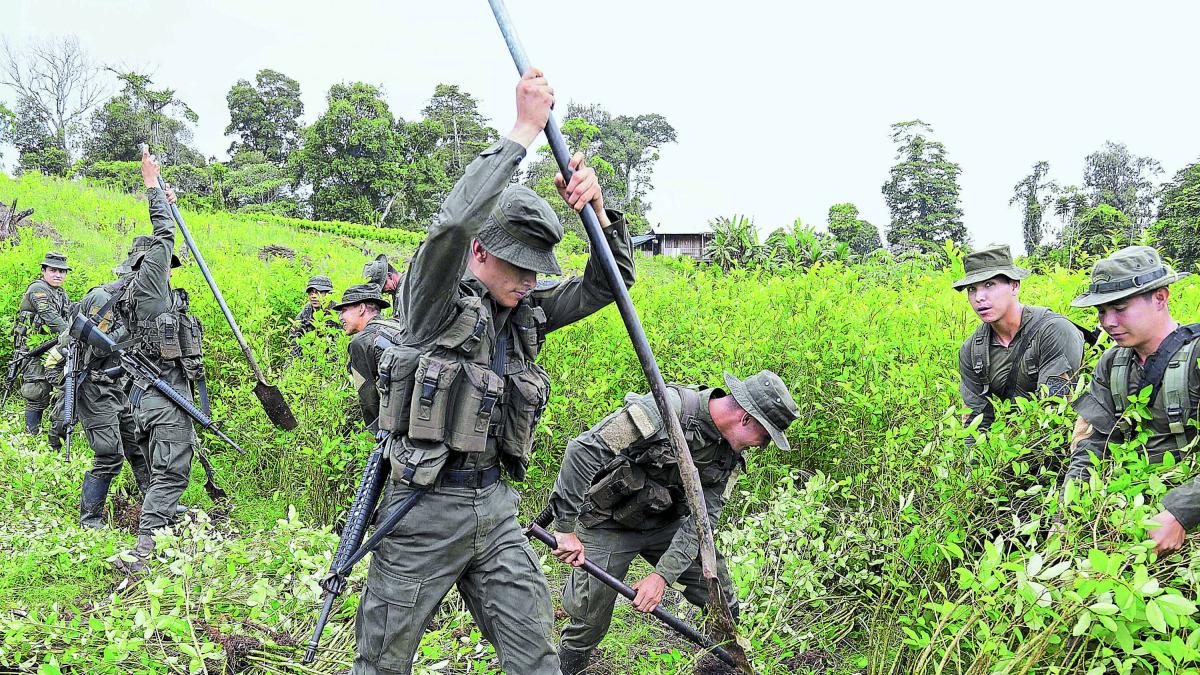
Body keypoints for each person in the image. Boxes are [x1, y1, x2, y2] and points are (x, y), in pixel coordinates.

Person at [349, 68, 635, 675]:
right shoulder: (432, 301)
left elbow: (610, 283)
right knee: (381, 664)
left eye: (538, 268)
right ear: (481, 254)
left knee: (536, 659)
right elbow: (451, 224)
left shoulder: (525, 307)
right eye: (519, 266)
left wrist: (599, 213)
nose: (531, 280)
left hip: (496, 508)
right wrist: (525, 130)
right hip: (421, 510)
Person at [547, 371, 800, 673]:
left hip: (665, 525)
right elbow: (582, 451)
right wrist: (564, 528)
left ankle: (721, 667)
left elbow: (703, 522)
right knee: (589, 620)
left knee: (720, 597)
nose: (761, 447)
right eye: (765, 437)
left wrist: (662, 576)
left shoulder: (729, 457)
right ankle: (565, 668)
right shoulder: (663, 409)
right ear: (746, 419)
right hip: (607, 523)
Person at [1065, 245, 1198, 554]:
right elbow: (1094, 443)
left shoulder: (1196, 359)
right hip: (1126, 507)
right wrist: (1067, 511)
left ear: (1160, 298)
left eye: (1120, 308)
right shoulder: (1112, 363)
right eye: (1101, 311)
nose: (1107, 322)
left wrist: (1181, 512)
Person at [113, 148, 202, 575]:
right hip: (163, 399)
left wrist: (169, 198)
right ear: (150, 263)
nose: (170, 269)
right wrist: (153, 187)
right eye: (165, 264)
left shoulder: (133, 294)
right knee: (171, 471)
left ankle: (163, 525)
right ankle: (145, 548)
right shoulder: (149, 288)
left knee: (156, 467)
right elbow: (165, 235)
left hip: (146, 398)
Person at [954, 245, 1087, 432]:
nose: (979, 297)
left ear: (1014, 285)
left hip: (1065, 444)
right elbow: (975, 422)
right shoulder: (972, 349)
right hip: (1012, 445)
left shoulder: (1053, 331)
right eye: (971, 289)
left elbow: (1055, 410)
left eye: (989, 285)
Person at [13, 251, 72, 434]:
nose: (58, 275)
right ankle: (32, 433)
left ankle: (54, 429)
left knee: (58, 385)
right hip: (33, 348)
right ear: (43, 270)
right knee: (36, 389)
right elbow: (52, 318)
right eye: (53, 270)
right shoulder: (37, 289)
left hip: (52, 347)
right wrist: (72, 335)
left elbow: (68, 316)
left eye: (62, 272)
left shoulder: (61, 293)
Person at [333, 284, 403, 432]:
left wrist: (375, 437)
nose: (340, 317)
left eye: (344, 310)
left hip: (396, 423)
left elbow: (368, 400)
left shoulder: (361, 342)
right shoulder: (397, 325)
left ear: (361, 308)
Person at [289, 274, 337, 356]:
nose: (313, 296)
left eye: (319, 292)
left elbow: (340, 345)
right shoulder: (304, 315)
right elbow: (294, 344)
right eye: (311, 293)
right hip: (309, 358)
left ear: (328, 294)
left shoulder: (337, 313)